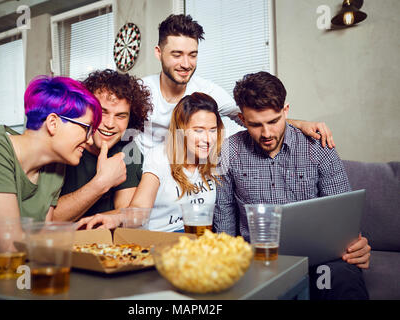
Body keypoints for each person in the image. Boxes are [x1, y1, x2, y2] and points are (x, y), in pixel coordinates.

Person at [213, 71, 371, 300]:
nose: (266, 134)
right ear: (243, 119)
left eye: (274, 121)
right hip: (257, 264)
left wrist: (356, 245)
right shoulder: (229, 152)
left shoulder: (318, 148)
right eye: (256, 125)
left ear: (286, 111)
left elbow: (343, 217)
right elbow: (224, 227)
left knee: (341, 278)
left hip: (318, 263)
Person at [0, 76, 101, 277]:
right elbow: (12, 246)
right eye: (86, 129)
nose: (90, 139)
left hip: (7, 276)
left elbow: (43, 240)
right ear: (53, 123)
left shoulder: (56, 167)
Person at [135, 14, 335, 155]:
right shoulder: (140, 91)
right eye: (177, 55)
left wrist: (300, 124)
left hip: (191, 180)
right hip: (144, 178)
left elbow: (251, 117)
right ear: (158, 52)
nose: (186, 64)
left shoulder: (208, 91)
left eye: (193, 55)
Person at [77, 92, 223, 231]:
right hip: (163, 241)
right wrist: (116, 218)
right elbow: (140, 207)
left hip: (200, 240)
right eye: (198, 130)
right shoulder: (159, 156)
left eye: (212, 130)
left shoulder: (214, 158)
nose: (208, 139)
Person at [52, 69, 153, 222]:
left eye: (120, 116)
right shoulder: (62, 145)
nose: (110, 124)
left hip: (103, 244)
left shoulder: (128, 149)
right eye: (103, 112)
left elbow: (125, 213)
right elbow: (47, 219)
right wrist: (102, 183)